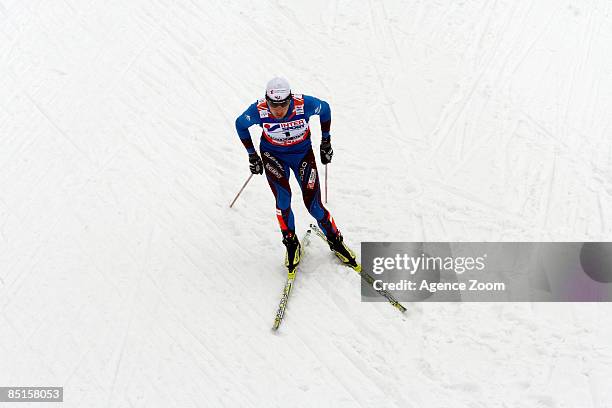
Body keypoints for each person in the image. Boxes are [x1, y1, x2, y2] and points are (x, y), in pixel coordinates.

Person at [235, 77, 357, 272]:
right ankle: (291, 243)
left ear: (290, 99)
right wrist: (252, 156)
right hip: (272, 155)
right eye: (273, 105)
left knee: (314, 206)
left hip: (302, 155)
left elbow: (325, 109)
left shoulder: (304, 104)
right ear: (267, 100)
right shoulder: (258, 110)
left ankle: (335, 240)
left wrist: (326, 141)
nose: (278, 110)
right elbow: (240, 125)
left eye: (282, 104)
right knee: (283, 200)